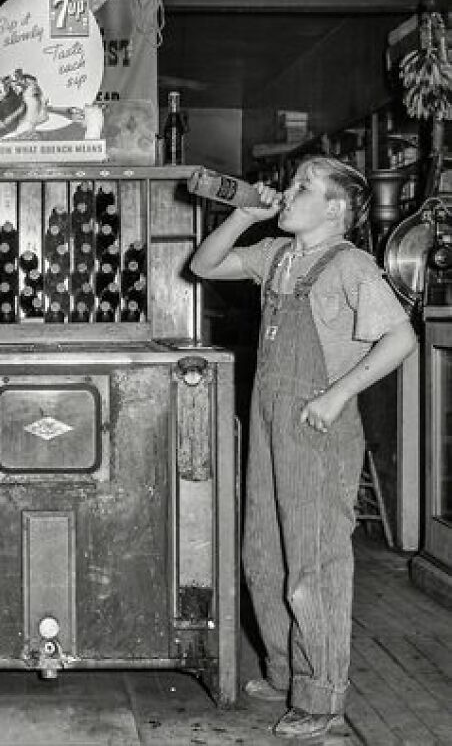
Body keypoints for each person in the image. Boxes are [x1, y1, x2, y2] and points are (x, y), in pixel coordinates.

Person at [190, 157, 417, 741]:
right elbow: (204, 264)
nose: (287, 194)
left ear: (334, 209)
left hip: (319, 431)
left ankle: (322, 696)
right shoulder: (277, 255)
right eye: (291, 185)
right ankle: (287, 672)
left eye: (302, 188)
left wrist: (338, 394)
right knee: (262, 555)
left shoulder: (350, 265)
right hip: (270, 425)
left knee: (313, 565)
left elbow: (401, 338)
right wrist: (244, 216)